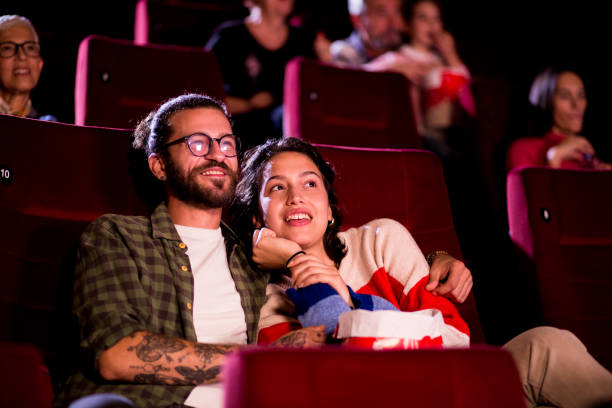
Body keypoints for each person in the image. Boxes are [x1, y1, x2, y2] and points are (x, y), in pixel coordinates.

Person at [231, 137, 612, 408]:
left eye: (310, 183)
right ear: (256, 217)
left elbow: (453, 339)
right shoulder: (262, 299)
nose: (296, 196)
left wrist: (355, 305)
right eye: (277, 187)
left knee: (547, 344)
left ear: (330, 210)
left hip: (458, 387)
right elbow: (338, 370)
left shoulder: (381, 239)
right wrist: (299, 263)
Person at [54, 94, 325, 408]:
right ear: (159, 166)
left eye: (226, 143)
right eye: (198, 143)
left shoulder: (252, 258)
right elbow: (116, 354)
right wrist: (266, 358)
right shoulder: (118, 236)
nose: (217, 155)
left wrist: (295, 258)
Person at [205, 0, 330, 150]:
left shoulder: (305, 39)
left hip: (289, 135)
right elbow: (204, 93)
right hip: (240, 133)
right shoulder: (229, 36)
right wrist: (248, 104)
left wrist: (329, 59)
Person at [507, 67, 610, 172]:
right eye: (565, 96)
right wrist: (555, 157)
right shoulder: (523, 150)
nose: (576, 105)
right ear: (546, 101)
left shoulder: (586, 154)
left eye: (581, 95)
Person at [0, 14, 55, 120]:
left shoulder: (51, 129)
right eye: (8, 48)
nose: (22, 56)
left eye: (30, 47)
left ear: (40, 63)